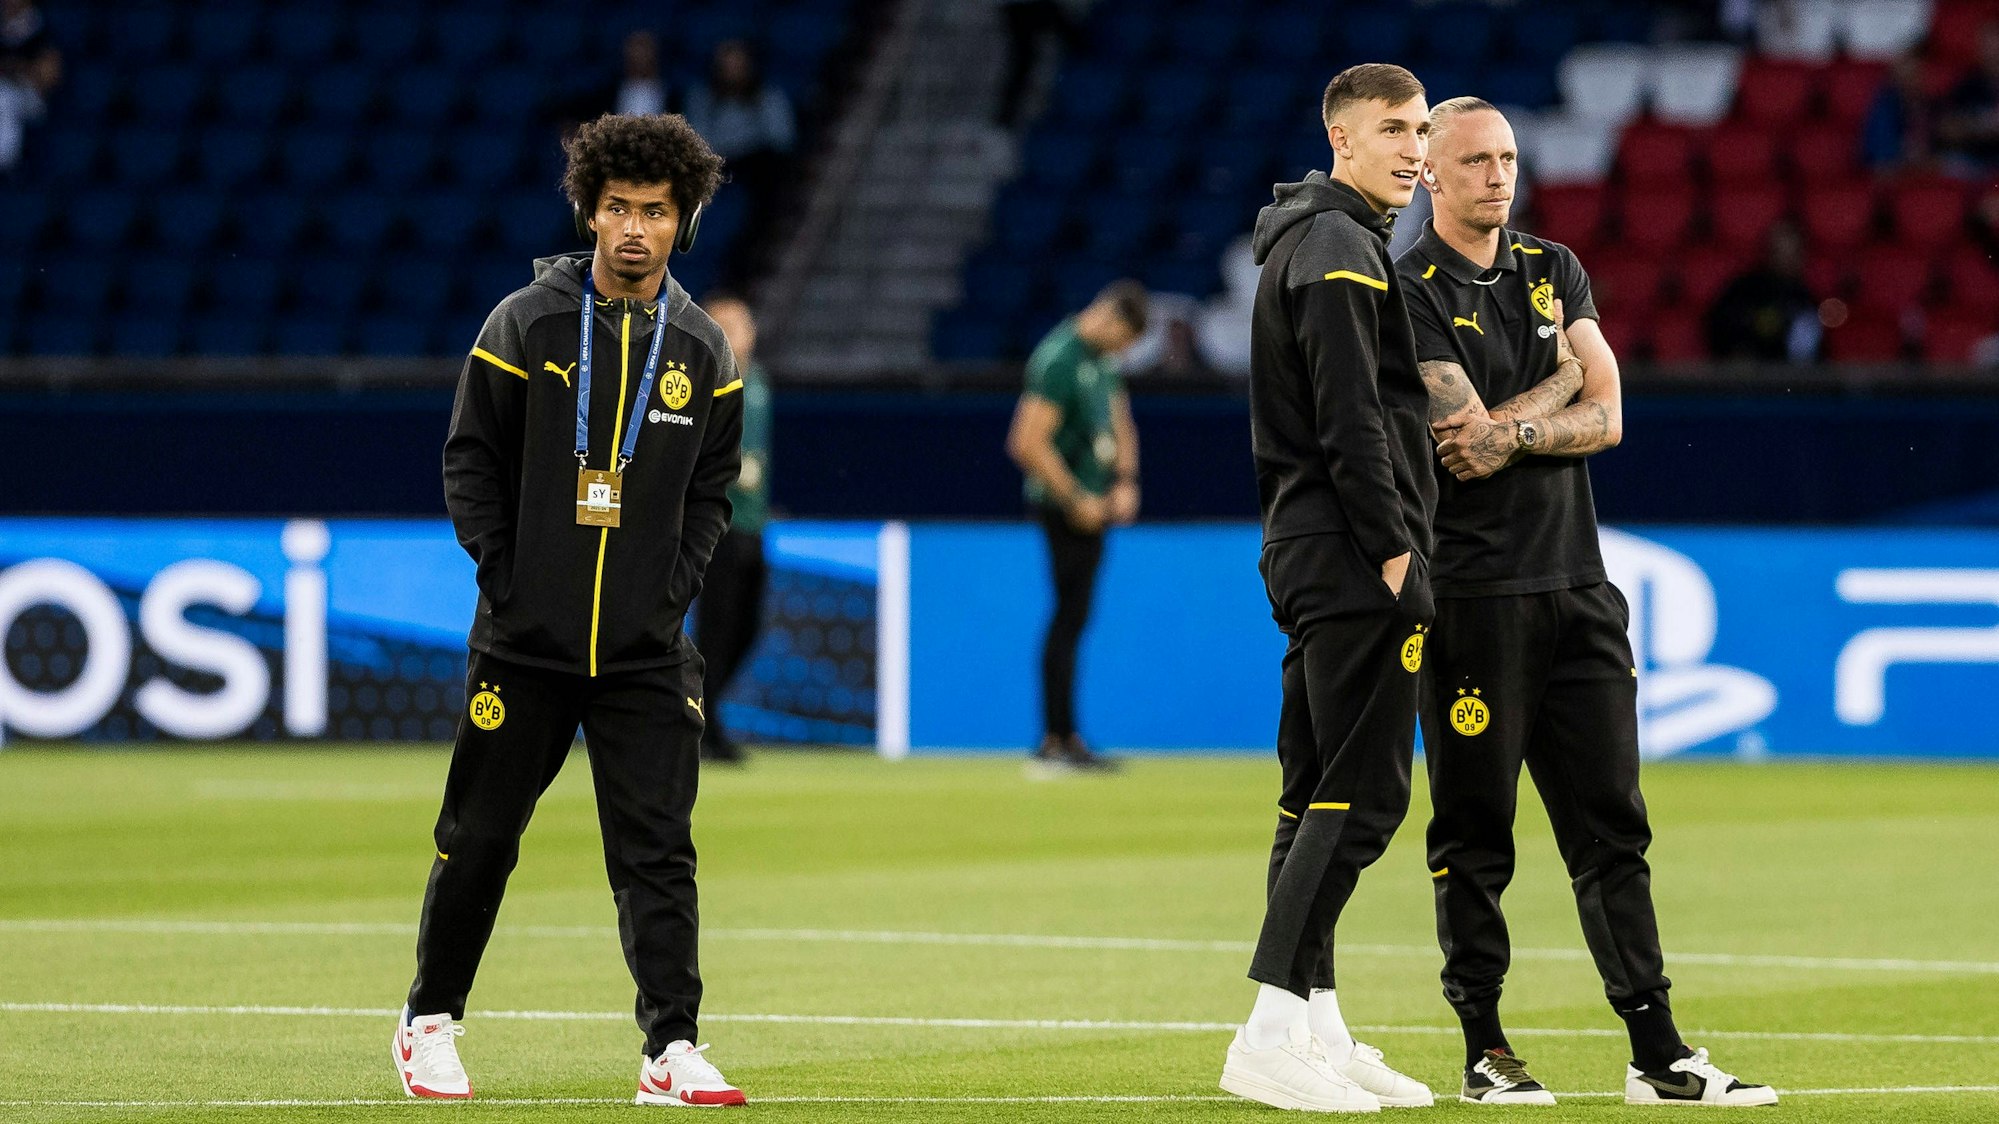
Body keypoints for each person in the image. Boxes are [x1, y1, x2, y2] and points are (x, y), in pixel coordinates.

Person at [1396, 97, 1777, 1107]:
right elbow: (1456, 437)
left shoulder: (1552, 268)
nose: (1497, 175)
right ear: (1430, 172)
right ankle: (1484, 1046)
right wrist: (1553, 386)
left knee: (1613, 825)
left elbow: (1602, 414)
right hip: (1474, 597)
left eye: (1508, 157)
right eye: (1474, 160)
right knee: (1475, 829)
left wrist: (1521, 423)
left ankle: (1658, 1053)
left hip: (1577, 588)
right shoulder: (1408, 289)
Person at [396, 113, 749, 1108]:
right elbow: (469, 457)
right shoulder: (526, 323)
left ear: (683, 223)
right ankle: (430, 1018)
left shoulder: (705, 347)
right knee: (481, 835)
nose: (636, 228)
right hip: (525, 643)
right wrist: (507, 577)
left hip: (644, 651)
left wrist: (671, 587)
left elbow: (712, 490)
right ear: (590, 211)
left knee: (658, 853)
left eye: (657, 212)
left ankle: (671, 1045)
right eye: (620, 209)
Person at [1222, 62, 1437, 1114]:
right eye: (1394, 128)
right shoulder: (1342, 245)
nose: (1416, 147)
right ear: (1342, 138)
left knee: (1309, 792)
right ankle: (1267, 1027)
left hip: (1308, 544)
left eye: (1423, 128)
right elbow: (1351, 415)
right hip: (1353, 553)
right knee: (1366, 791)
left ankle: (1315, 1021)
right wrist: (1397, 551)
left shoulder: (1312, 239)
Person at [1004, 280, 1147, 772]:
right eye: (1124, 341)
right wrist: (1074, 496)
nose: (1123, 353)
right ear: (1109, 319)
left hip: (1096, 504)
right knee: (1067, 618)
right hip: (1064, 506)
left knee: (1075, 617)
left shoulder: (1100, 358)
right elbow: (1026, 442)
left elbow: (1121, 420)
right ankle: (1054, 739)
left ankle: (1067, 735)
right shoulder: (1059, 358)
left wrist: (1125, 479)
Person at [694, 291, 772, 764]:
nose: (739, 334)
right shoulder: (704, 378)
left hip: (752, 523)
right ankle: (704, 727)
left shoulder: (758, 379)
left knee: (748, 626)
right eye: (727, 325)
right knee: (717, 629)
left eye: (743, 324)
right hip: (717, 523)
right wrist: (732, 468)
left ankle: (706, 710)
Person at [1705, 220, 1821, 363]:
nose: (1786, 260)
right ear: (1769, 252)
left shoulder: (1805, 300)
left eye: (1793, 253)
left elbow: (1813, 357)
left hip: (1788, 381)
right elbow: (1719, 326)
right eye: (1780, 252)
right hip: (1745, 379)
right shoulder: (1744, 289)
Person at [0, 0, 60, 177]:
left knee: (3, 95)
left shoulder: (41, 28)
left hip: (31, 96)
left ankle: (5, 159)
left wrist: (18, 69)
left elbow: (50, 77)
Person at [1939, 20, 1999, 174]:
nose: (1994, 52)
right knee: (1949, 164)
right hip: (1976, 162)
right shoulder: (1967, 85)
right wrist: (1979, 126)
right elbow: (1946, 128)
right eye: (1989, 45)